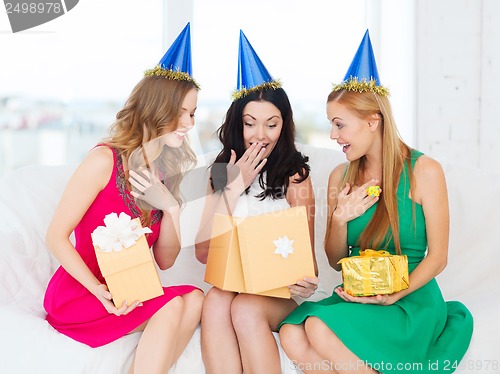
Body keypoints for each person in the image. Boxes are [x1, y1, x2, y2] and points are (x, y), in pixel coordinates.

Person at [279, 30, 473, 373]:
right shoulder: (341, 176)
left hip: (410, 299)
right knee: (293, 332)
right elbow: (337, 261)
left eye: (340, 125)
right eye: (331, 125)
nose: (333, 135)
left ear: (373, 120)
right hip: (359, 292)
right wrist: (340, 219)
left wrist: (394, 294)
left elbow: (438, 257)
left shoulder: (424, 171)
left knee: (316, 327)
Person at [43, 23, 204, 373]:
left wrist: (171, 209)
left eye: (193, 113)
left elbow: (165, 262)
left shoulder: (163, 171)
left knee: (195, 299)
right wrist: (100, 290)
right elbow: (55, 236)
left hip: (131, 288)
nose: (189, 123)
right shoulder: (104, 160)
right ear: (158, 108)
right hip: (83, 293)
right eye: (182, 113)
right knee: (172, 306)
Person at [194, 30, 323, 374]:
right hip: (231, 285)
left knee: (246, 308)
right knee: (217, 300)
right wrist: (234, 187)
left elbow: (308, 265)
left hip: (277, 294)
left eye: (271, 124)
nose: (260, 135)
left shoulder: (295, 174)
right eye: (250, 124)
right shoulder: (222, 171)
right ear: (239, 124)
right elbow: (204, 253)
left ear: (285, 125)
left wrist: (307, 281)